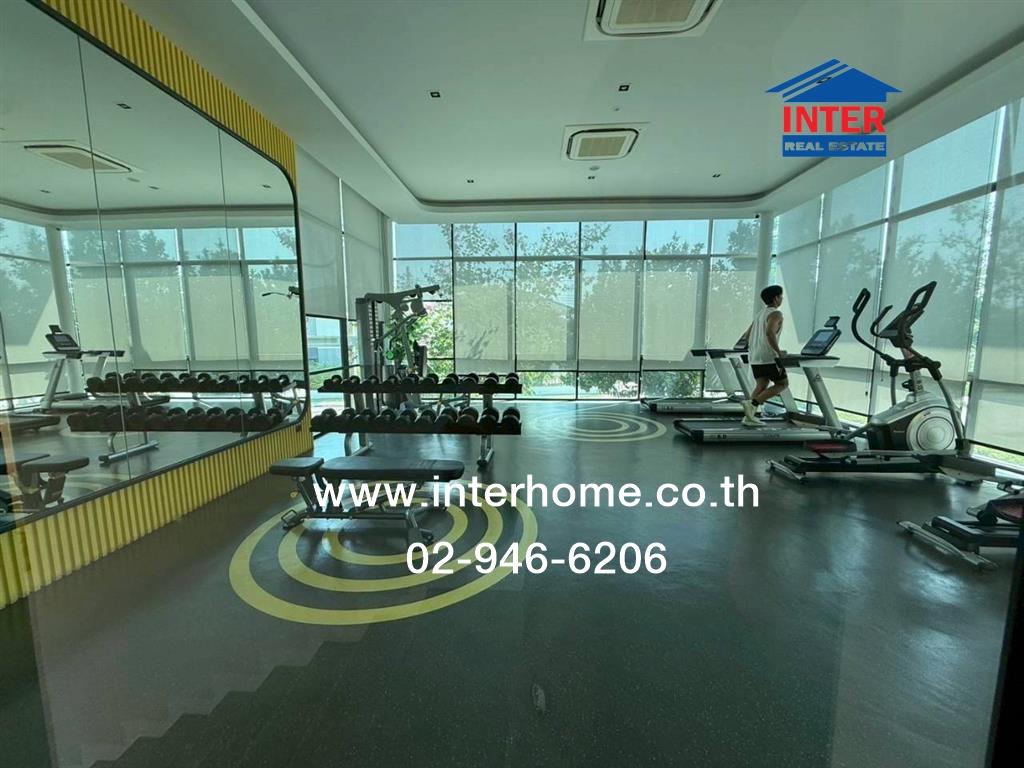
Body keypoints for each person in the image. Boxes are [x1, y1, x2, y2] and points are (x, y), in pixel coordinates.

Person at [739, 285, 787, 427]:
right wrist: (779, 352)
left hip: (755, 356)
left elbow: (747, 335)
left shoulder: (759, 315)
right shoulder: (776, 314)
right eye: (781, 296)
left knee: (761, 385)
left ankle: (749, 417)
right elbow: (769, 333)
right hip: (768, 357)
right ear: (776, 298)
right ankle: (753, 403)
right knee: (782, 384)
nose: (782, 298)